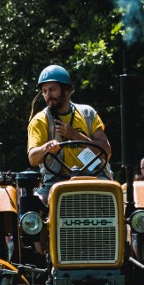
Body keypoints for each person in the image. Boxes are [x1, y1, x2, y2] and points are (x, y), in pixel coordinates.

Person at [27, 65, 112, 203]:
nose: (48, 95)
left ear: (66, 90)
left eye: (52, 89)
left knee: (115, 196)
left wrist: (75, 135)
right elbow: (32, 158)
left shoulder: (88, 113)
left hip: (93, 177)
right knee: (34, 204)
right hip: (55, 181)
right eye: (44, 91)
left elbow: (106, 152)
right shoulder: (40, 120)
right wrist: (46, 147)